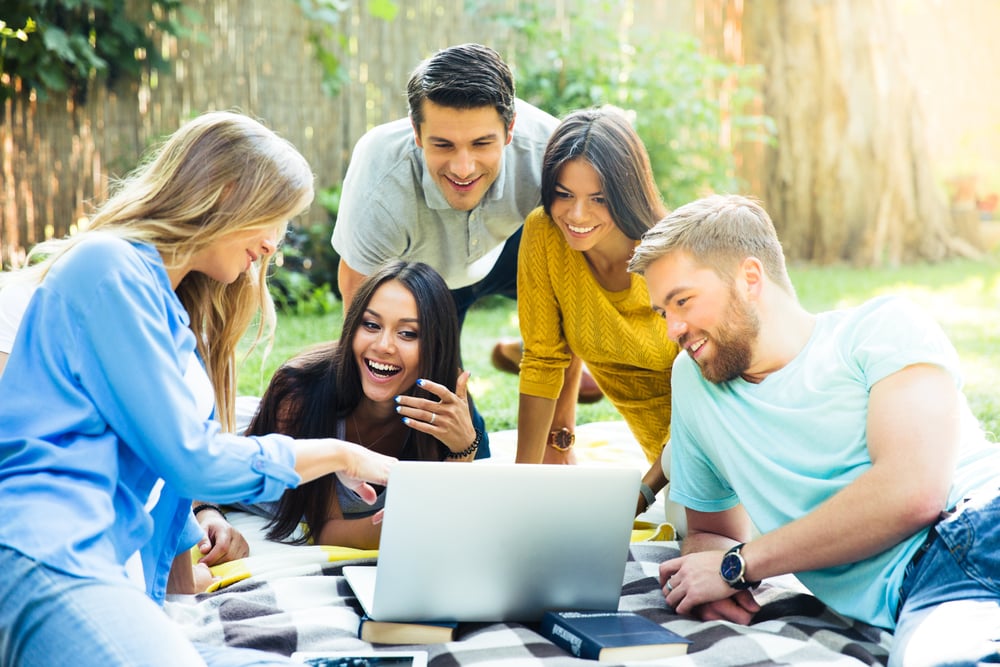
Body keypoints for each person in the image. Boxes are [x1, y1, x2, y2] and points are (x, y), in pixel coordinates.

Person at [0, 111, 395, 667]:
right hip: (48, 556)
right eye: (274, 218)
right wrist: (340, 454)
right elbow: (193, 459)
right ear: (228, 192)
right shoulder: (108, 268)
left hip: (102, 572)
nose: (273, 244)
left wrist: (178, 596)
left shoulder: (166, 309)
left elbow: (164, 482)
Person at [628, 194, 1000, 666]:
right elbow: (710, 530)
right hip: (922, 589)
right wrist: (708, 577)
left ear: (749, 278)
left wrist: (738, 565)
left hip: (976, 522)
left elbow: (912, 493)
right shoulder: (694, 382)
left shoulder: (881, 329)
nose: (673, 329)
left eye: (683, 301)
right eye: (663, 312)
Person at [331, 43, 602, 428]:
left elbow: (576, 279)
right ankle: (514, 354)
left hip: (507, 251)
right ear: (416, 132)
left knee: (583, 276)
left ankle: (533, 349)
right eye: (443, 144)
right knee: (459, 440)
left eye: (481, 144)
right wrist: (371, 419)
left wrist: (560, 434)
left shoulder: (550, 151)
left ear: (510, 129)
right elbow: (361, 306)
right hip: (422, 280)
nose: (463, 168)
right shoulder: (380, 178)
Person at [245, 260, 480, 549]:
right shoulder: (301, 392)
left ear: (437, 346)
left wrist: (464, 448)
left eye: (408, 333)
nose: (383, 346)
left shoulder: (444, 402)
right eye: (371, 325)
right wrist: (409, 526)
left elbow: (447, 514)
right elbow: (327, 531)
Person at [514, 107, 678, 516]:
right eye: (564, 194)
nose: (577, 215)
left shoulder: (674, 254)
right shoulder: (544, 233)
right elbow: (543, 358)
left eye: (599, 199)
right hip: (666, 462)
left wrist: (641, 494)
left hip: (714, 448)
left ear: (627, 193)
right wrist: (518, 488)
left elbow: (716, 408)